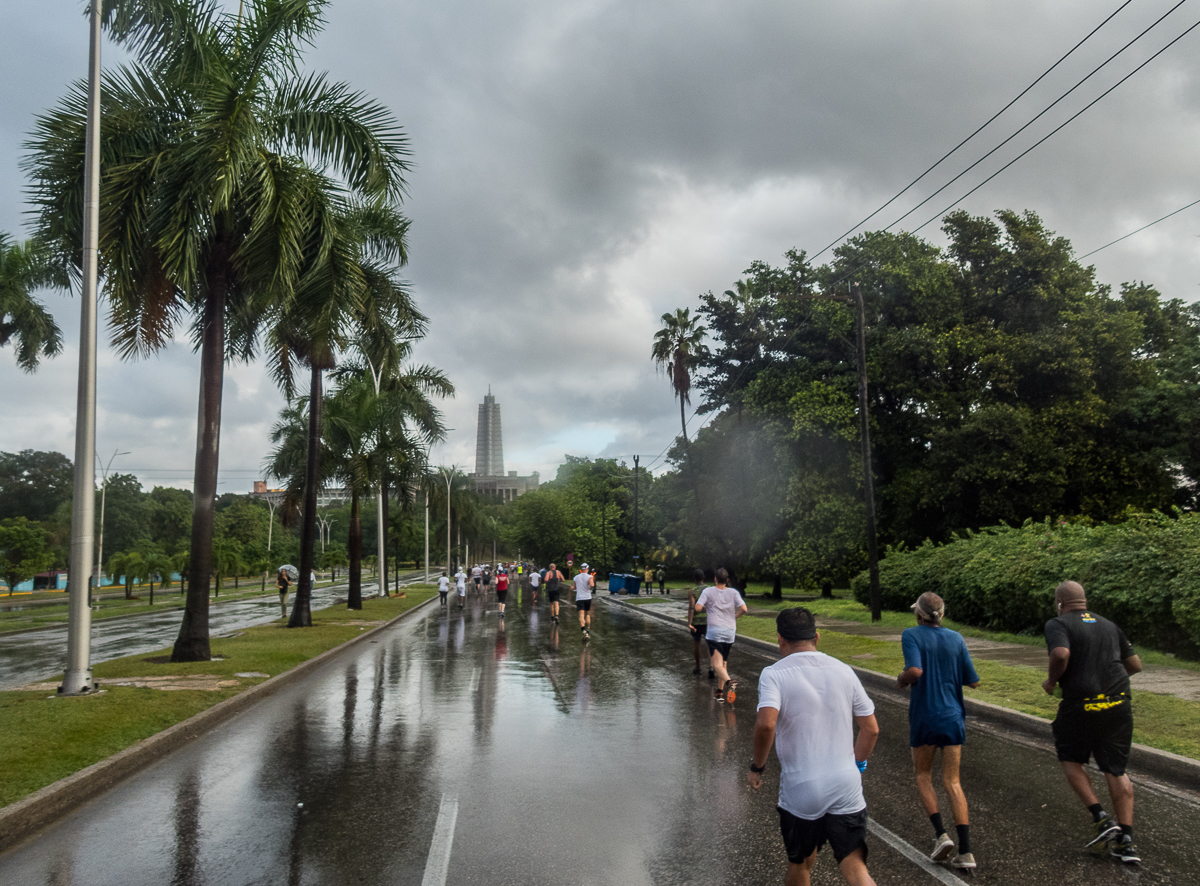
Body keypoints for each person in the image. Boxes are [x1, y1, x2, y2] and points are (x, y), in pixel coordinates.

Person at [749, 608, 880, 886]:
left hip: (802, 790)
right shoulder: (844, 670)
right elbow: (871, 728)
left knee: (801, 863)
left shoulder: (774, 674)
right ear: (817, 637)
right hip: (846, 784)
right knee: (855, 864)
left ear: (780, 639)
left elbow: (765, 725)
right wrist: (857, 763)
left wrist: (757, 766)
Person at [1043, 580, 1143, 864]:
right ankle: (1127, 842)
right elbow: (1134, 665)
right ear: (1084, 600)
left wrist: (1052, 681)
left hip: (1081, 705)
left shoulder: (1058, 623)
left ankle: (1101, 818)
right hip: (1118, 703)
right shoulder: (1109, 625)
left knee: (1070, 759)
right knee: (1116, 768)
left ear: (1060, 603)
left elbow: (1061, 654)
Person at [896, 592, 980, 869]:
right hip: (953, 716)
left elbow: (915, 670)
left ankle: (940, 835)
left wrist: (902, 679)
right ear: (941, 614)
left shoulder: (911, 634)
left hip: (926, 716)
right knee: (953, 782)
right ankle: (966, 852)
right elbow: (973, 681)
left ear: (918, 614)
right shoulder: (956, 638)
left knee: (922, 775)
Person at [694, 568, 748, 703]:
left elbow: (697, 607)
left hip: (714, 633)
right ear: (727, 580)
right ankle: (719, 693)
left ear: (715, 579)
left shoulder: (708, 591)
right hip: (729, 632)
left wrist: (704, 606)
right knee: (723, 663)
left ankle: (730, 682)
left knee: (716, 664)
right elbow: (744, 609)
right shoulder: (733, 592)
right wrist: (736, 616)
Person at [686, 568, 712, 678]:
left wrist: (690, 622)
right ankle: (711, 667)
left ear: (694, 579)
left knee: (697, 644)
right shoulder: (709, 589)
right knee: (709, 644)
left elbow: (692, 607)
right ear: (703, 578)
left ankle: (698, 667)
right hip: (708, 621)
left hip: (696, 622)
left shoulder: (692, 591)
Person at [574, 562, 595, 639]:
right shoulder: (590, 576)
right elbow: (592, 585)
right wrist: (591, 586)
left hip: (579, 598)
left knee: (581, 615)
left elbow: (572, 587)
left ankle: (583, 631)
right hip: (587, 597)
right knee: (588, 614)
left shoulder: (576, 577)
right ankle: (588, 630)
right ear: (587, 569)